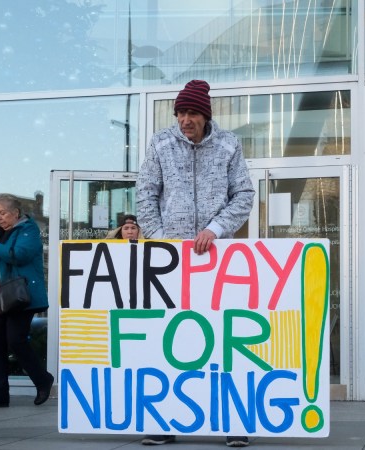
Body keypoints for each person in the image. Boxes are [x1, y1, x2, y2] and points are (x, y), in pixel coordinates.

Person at [137, 80, 255, 447]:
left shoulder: (228, 144)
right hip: (170, 263)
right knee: (172, 339)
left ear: (206, 115)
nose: (185, 120)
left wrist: (216, 229)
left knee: (223, 338)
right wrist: (160, 239)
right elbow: (145, 194)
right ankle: (164, 421)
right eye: (181, 113)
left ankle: (234, 422)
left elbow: (245, 194)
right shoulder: (160, 143)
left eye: (192, 113)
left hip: (218, 261)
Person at [0, 194, 54, 408]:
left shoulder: (28, 229)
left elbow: (19, 255)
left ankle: (42, 379)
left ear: (15, 213)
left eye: (3, 213)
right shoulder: (0, 233)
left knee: (16, 340)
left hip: (19, 297)